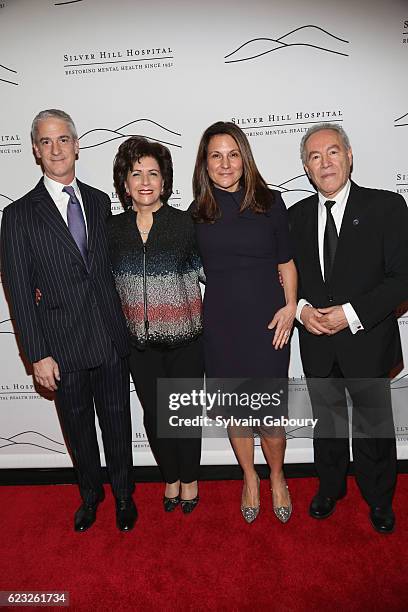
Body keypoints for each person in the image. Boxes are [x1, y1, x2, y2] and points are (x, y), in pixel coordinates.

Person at [0, 109, 137, 533]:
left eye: (63, 139)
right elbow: (19, 291)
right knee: (78, 429)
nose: (56, 148)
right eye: (46, 142)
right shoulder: (19, 214)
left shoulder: (98, 200)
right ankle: (91, 496)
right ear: (37, 153)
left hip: (110, 339)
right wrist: (37, 354)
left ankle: (125, 497)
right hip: (61, 346)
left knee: (117, 422)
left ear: (77, 145)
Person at [289, 122, 408, 533]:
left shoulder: (387, 208)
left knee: (375, 429)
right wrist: (302, 310)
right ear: (306, 167)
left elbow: (401, 278)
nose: (325, 162)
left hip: (368, 341)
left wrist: (350, 314)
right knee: (328, 426)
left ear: (350, 155)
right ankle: (331, 487)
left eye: (333, 152)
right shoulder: (295, 218)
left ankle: (379, 499)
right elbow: (286, 278)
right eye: (315, 156)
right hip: (318, 344)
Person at [191, 121, 297, 523]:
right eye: (216, 155)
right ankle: (249, 477)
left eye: (232, 154)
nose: (225, 163)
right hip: (221, 328)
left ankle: (277, 476)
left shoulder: (271, 203)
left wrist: (290, 306)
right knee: (236, 412)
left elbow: (286, 262)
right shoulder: (197, 214)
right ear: (205, 162)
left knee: (269, 415)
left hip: (270, 326)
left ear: (244, 157)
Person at [108, 137, 204, 513]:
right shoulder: (112, 230)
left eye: (153, 173)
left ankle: (191, 477)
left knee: (184, 414)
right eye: (136, 173)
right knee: (155, 415)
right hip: (139, 344)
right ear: (125, 182)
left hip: (186, 339)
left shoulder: (185, 224)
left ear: (165, 181)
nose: (145, 181)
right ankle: (171, 477)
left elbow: (213, 273)